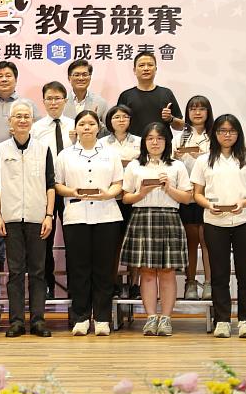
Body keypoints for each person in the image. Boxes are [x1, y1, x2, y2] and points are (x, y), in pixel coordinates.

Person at [192, 114, 246, 339]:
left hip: (245, 221)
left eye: (231, 131)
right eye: (222, 131)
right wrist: (208, 205)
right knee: (219, 274)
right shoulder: (203, 160)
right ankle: (222, 320)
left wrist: (243, 203)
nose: (227, 135)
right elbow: (197, 194)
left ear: (238, 133)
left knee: (245, 273)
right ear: (215, 134)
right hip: (214, 222)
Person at [54, 110, 123, 336]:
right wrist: (71, 191)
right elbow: (57, 184)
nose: (86, 127)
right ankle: (81, 317)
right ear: (75, 128)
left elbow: (118, 183)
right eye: (82, 124)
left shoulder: (111, 153)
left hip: (107, 216)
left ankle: (102, 318)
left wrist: (108, 194)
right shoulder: (65, 155)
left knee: (104, 269)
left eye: (91, 124)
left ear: (98, 127)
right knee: (78, 268)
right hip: (76, 217)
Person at [121, 121, 192, 337]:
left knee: (168, 272)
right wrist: (142, 193)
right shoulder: (135, 166)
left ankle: (166, 318)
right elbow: (126, 198)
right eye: (150, 138)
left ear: (166, 142)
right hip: (142, 217)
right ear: (144, 142)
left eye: (160, 138)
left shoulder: (177, 166)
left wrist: (169, 187)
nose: (155, 142)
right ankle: (151, 317)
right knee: (147, 271)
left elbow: (187, 198)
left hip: (169, 217)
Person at [0, 101, 55, 338]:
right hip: (11, 219)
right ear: (10, 121)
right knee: (16, 272)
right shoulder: (1, 150)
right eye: (17, 116)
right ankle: (16, 321)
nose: (22, 120)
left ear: (32, 121)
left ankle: (38, 321)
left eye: (26, 116)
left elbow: (50, 184)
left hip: (38, 218)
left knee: (38, 271)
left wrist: (49, 215)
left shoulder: (43, 149)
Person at [0, 61, 41, 274]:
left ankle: (24, 256)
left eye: (8, 75)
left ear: (16, 79)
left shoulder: (27, 105)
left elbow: (39, 132)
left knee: (22, 207)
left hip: (23, 161)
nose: (4, 79)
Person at [31, 81, 74, 299]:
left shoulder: (75, 126)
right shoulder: (36, 129)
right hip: (44, 189)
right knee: (44, 240)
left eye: (58, 98)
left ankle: (74, 286)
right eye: (49, 98)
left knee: (73, 240)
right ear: (43, 101)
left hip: (71, 189)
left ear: (65, 100)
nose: (53, 102)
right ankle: (46, 285)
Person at [173, 96, 214, 300]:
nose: (197, 113)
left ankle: (209, 284)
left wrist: (202, 157)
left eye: (201, 109)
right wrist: (175, 157)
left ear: (208, 112)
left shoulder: (215, 135)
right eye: (193, 109)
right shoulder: (179, 138)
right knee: (190, 242)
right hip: (187, 196)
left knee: (208, 243)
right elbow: (170, 164)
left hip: (209, 196)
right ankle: (190, 283)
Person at [103, 105, 142, 298]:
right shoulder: (101, 143)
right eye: (116, 117)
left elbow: (142, 165)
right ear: (109, 121)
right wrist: (127, 163)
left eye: (125, 117)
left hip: (134, 198)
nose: (121, 120)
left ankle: (135, 284)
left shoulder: (140, 141)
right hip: (111, 199)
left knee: (135, 242)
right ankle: (113, 282)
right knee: (113, 243)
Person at [116, 51, 183, 137]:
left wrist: (170, 119)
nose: (146, 68)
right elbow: (118, 125)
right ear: (134, 70)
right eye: (141, 65)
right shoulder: (126, 96)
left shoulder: (166, 93)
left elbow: (181, 126)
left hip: (162, 143)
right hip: (134, 144)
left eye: (150, 65)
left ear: (156, 69)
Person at [64, 59, 110, 131]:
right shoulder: (61, 102)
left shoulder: (100, 102)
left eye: (85, 75)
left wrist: (96, 122)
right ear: (69, 78)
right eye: (77, 75)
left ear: (90, 77)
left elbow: (108, 132)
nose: (81, 78)